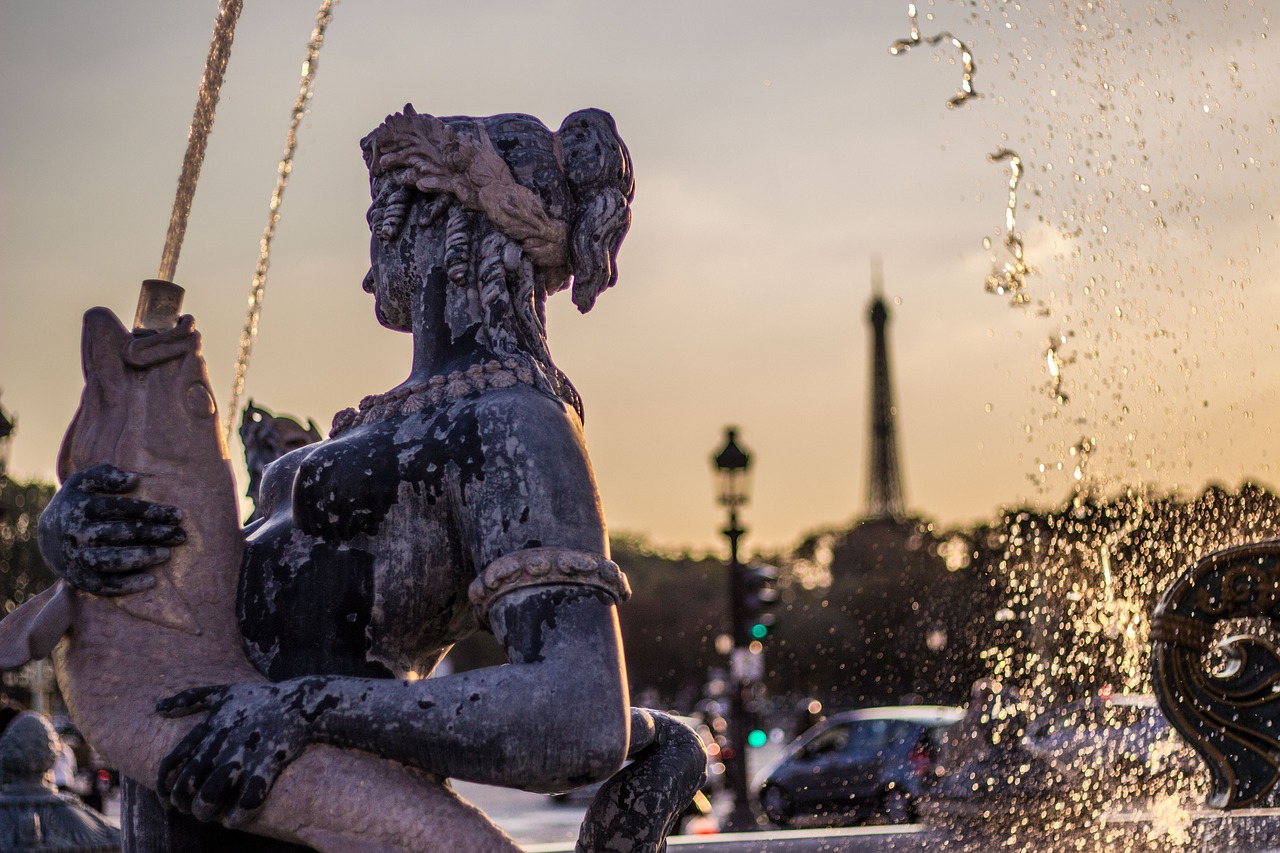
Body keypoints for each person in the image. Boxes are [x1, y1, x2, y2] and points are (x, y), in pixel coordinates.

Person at [39, 106, 703, 852]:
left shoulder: (516, 421)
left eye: (379, 231)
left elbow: (577, 716)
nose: (365, 274)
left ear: (435, 222)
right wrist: (81, 531)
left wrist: (308, 707)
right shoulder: (396, 421)